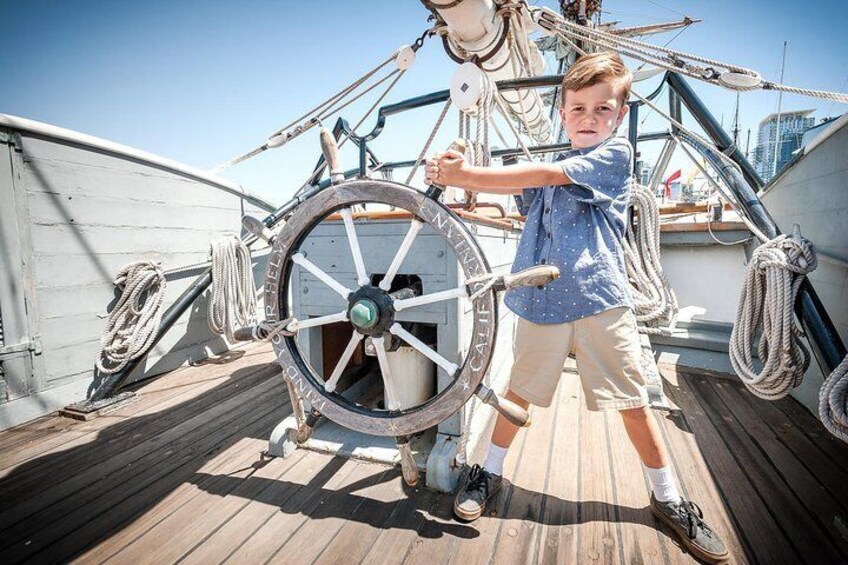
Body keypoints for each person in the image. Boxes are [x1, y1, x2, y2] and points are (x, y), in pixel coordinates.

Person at [424, 51, 728, 564]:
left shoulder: (615, 157)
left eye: (602, 110)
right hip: (541, 299)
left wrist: (468, 176)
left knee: (632, 400)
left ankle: (669, 498)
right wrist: (455, 174)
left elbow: (543, 174)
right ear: (562, 113)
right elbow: (520, 194)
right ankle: (489, 473)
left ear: (621, 114)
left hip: (599, 300)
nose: (589, 119)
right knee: (517, 394)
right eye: (579, 109)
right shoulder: (557, 167)